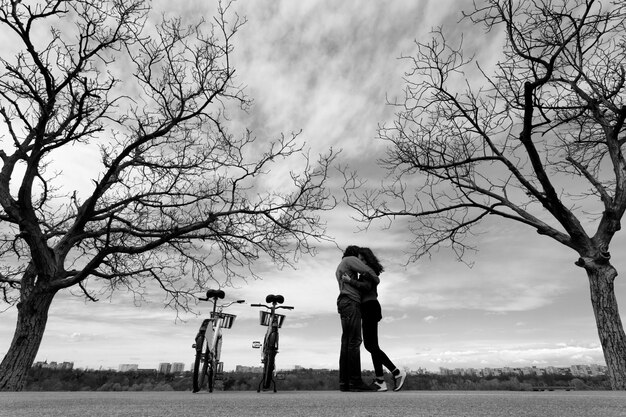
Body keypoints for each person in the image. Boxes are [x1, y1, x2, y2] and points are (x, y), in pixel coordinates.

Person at [342, 247, 407, 392]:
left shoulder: (368, 272)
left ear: (368, 259)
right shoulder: (366, 272)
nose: (360, 262)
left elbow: (365, 287)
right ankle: (380, 381)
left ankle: (396, 372)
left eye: (363, 259)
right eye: (359, 260)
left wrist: (349, 281)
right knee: (372, 345)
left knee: (371, 346)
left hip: (370, 307)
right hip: (368, 308)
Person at [335, 245, 379, 392]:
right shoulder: (351, 259)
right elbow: (369, 272)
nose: (359, 259)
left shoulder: (340, 265)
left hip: (343, 302)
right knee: (354, 341)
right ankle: (355, 382)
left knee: (346, 342)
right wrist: (375, 278)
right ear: (354, 254)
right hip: (351, 302)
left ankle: (344, 382)